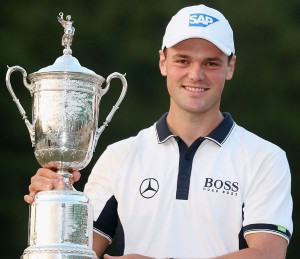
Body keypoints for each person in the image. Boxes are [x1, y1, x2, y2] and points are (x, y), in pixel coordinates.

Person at [25, 4, 293, 259]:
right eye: (183, 61)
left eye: (211, 63)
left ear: (230, 67)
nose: (196, 75)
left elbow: (268, 254)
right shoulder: (119, 156)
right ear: (163, 62)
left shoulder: (265, 158)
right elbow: (80, 250)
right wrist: (55, 206)